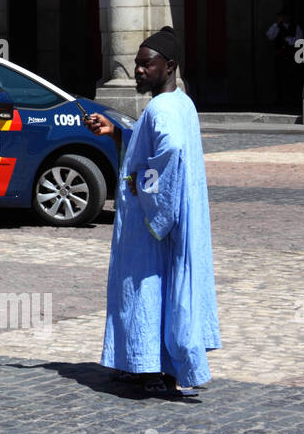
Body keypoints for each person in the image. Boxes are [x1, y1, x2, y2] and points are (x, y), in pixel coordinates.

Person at [86, 26, 220, 396]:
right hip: (166, 220)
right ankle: (151, 363)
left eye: (146, 65)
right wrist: (116, 133)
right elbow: (151, 148)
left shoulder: (161, 109)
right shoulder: (180, 102)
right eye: (136, 65)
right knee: (161, 287)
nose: (138, 71)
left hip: (151, 225)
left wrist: (147, 197)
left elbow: (170, 153)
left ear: (170, 65)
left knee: (143, 286)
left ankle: (149, 368)